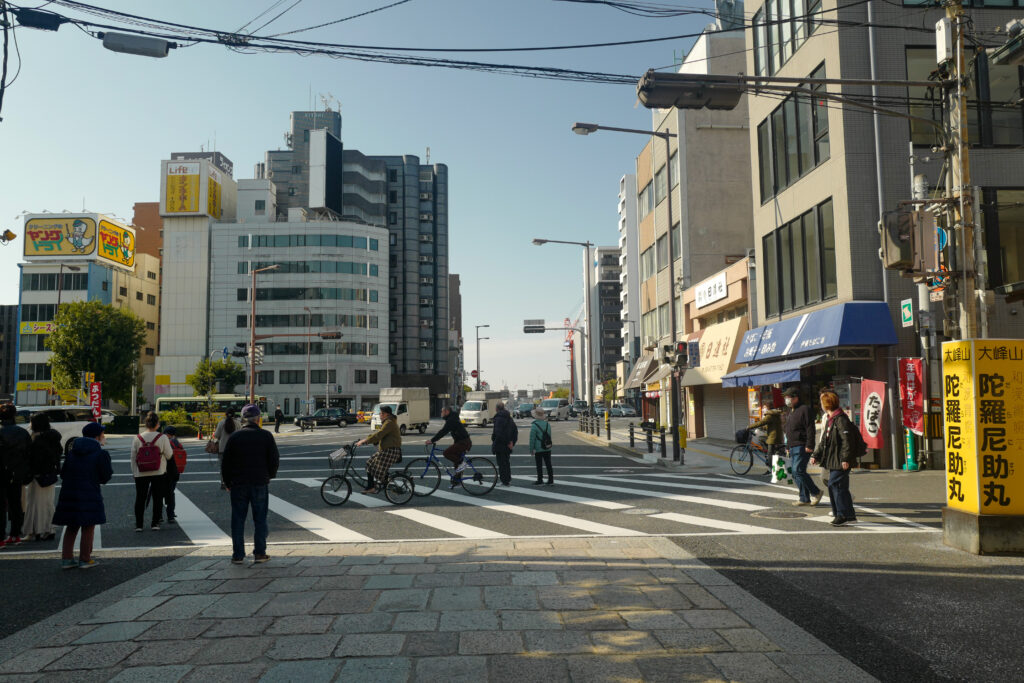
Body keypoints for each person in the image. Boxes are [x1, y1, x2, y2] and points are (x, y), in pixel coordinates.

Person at [222, 404, 280, 564]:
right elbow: (274, 460)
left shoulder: (235, 437)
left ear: (242, 419)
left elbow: (225, 463)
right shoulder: (266, 436)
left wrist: (227, 482)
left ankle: (238, 555)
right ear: (258, 419)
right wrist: (269, 475)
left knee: (238, 519)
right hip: (260, 481)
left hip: (238, 483)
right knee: (260, 518)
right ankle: (260, 553)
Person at [52, 422, 113, 569]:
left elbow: (64, 472)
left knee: (71, 525)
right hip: (90, 492)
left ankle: (66, 559)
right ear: (97, 437)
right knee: (88, 525)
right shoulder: (100, 453)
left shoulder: (72, 452)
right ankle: (85, 558)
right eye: (102, 434)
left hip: (69, 491)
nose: (104, 437)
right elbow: (105, 477)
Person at [810, 390, 858, 526]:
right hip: (833, 458)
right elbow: (824, 441)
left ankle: (842, 514)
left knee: (835, 484)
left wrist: (845, 459)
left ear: (827, 404)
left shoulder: (841, 419)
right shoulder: (832, 419)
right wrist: (816, 455)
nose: (820, 404)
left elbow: (847, 441)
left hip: (840, 459)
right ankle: (847, 515)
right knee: (839, 486)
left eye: (821, 402)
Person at [131, 412, 173, 531]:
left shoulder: (137, 438)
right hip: (158, 472)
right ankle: (155, 523)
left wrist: (134, 472)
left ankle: (139, 525)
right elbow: (169, 455)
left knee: (140, 498)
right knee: (158, 498)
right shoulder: (162, 437)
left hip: (141, 472)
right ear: (157, 424)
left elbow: (133, 457)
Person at [23, 413, 62, 541]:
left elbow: (34, 459)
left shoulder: (37, 439)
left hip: (38, 475)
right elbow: (58, 453)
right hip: (49, 475)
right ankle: (49, 529)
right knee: (47, 503)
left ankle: (34, 531)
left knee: (33, 503)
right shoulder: (53, 437)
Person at [782, 387, 823, 507]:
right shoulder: (791, 411)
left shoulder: (804, 409)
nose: (786, 400)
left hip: (802, 445)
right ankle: (804, 498)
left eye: (788, 397)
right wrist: (788, 446)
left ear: (795, 397)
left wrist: (810, 445)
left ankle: (816, 492)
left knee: (798, 470)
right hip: (793, 445)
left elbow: (810, 428)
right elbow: (789, 430)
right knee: (795, 473)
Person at [0, 403, 32, 547]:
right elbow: (29, 454)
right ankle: (15, 535)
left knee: (1, 505)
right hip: (17, 473)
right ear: (14, 415)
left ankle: (1, 537)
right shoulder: (22, 432)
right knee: (15, 503)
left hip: (2, 472)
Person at [356, 405, 402, 494]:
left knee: (377, 469)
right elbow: (380, 435)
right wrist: (367, 440)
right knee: (369, 463)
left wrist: (365, 441)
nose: (380, 415)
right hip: (386, 450)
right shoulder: (387, 422)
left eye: (381, 413)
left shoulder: (389, 423)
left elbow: (380, 434)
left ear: (386, 414)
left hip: (391, 451)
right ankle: (373, 486)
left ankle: (381, 485)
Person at [426, 406, 472, 474]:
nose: (441, 413)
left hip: (463, 443)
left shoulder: (451, 420)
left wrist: (432, 440)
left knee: (446, 453)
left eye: (442, 411)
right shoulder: (453, 417)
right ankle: (457, 482)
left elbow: (443, 431)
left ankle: (462, 464)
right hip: (463, 442)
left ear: (447, 412)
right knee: (457, 465)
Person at [749, 396, 784, 472]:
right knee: (761, 438)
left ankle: (771, 469)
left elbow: (761, 422)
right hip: (776, 436)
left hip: (773, 438)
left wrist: (749, 427)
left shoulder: (769, 415)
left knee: (770, 454)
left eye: (764, 407)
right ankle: (768, 458)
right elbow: (770, 425)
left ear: (768, 407)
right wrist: (763, 428)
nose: (762, 409)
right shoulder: (775, 414)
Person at [490, 401, 518, 487]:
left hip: (500, 444)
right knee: (506, 462)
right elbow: (515, 431)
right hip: (508, 444)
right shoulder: (509, 418)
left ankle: (504, 481)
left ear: (496, 409)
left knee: (501, 464)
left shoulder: (498, 418)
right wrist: (512, 442)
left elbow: (498, 433)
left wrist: (496, 441)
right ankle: (507, 480)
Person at [213, 408, 242, 489]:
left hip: (222, 448)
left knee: (223, 467)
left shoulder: (221, 423)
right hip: (235, 449)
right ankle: (234, 481)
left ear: (225, 414)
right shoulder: (238, 423)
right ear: (234, 414)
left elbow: (216, 435)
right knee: (235, 466)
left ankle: (223, 483)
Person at [162, 425, 184, 525]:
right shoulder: (176, 442)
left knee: (159, 493)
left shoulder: (163, 441)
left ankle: (158, 516)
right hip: (175, 472)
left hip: (163, 471)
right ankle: (170, 515)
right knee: (171, 493)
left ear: (166, 433)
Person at [529, 406, 554, 486]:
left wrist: (531, 449)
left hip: (538, 448)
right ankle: (551, 480)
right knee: (548, 464)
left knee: (539, 465)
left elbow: (532, 439)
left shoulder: (534, 425)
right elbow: (549, 435)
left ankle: (540, 479)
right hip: (547, 447)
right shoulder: (547, 424)